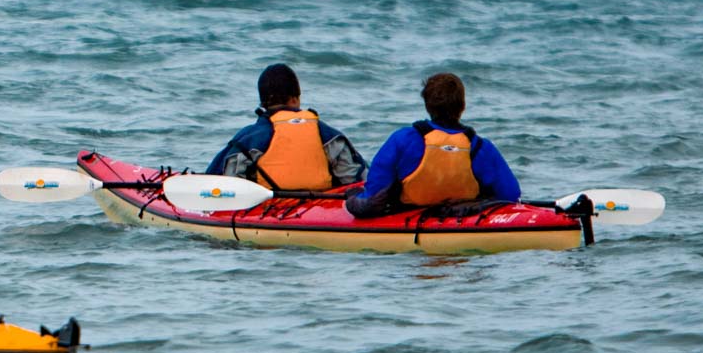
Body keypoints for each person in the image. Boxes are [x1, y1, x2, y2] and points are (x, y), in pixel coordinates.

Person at [346, 72, 520, 218]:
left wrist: (353, 199)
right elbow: (510, 194)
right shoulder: (480, 146)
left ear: (427, 106)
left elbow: (375, 193)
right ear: (462, 106)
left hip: (408, 215)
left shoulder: (403, 139)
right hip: (461, 216)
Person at [205, 63, 365, 190]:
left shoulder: (249, 137)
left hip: (266, 210)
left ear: (263, 103)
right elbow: (355, 177)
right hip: (322, 207)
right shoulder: (326, 133)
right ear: (295, 98)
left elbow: (222, 179)